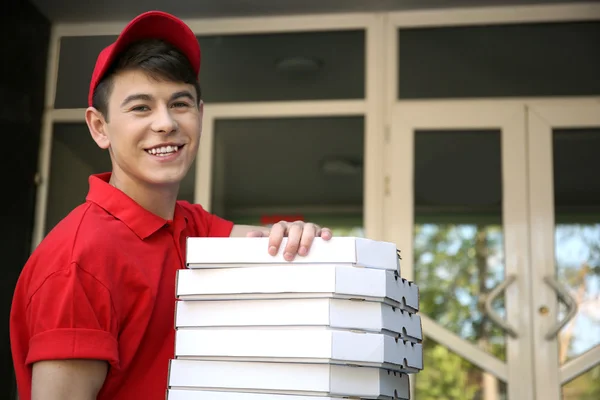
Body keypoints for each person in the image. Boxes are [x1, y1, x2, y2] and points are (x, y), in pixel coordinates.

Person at [10, 10, 333, 400]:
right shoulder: (79, 261)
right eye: (141, 107)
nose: (165, 123)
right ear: (99, 127)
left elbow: (268, 243)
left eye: (180, 103)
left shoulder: (190, 225)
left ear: (200, 114)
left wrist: (297, 235)